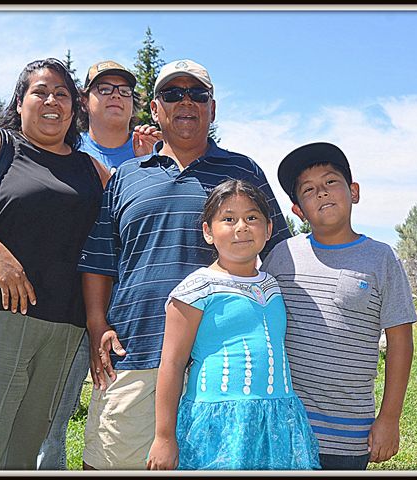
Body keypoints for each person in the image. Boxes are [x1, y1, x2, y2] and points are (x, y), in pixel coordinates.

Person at [77, 59, 291, 470]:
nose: (186, 102)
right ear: (155, 110)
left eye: (198, 94)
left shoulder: (243, 171)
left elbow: (280, 253)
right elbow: (100, 259)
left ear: (213, 108)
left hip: (223, 365)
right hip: (136, 351)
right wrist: (97, 325)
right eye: (172, 94)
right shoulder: (126, 177)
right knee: (111, 463)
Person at [0, 58, 110, 470]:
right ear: (20, 101)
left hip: (63, 328)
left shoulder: (90, 169)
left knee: (24, 453)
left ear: (75, 108)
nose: (52, 100)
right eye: (40, 91)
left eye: (62, 94)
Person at [261, 142, 417, 470]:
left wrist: (389, 418)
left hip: (350, 432)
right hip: (286, 424)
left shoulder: (382, 258)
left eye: (331, 181)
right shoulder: (282, 255)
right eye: (308, 189)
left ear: (354, 191)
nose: (321, 192)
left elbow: (401, 342)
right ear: (298, 210)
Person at [36, 59, 161, 471]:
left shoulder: (158, 153)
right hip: (61, 301)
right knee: (45, 416)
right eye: (104, 89)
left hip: (127, 312)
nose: (115, 97)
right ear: (84, 102)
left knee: (117, 413)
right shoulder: (65, 149)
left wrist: (148, 165)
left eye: (125, 91)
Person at [146, 179, 321, 470]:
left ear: (268, 229)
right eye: (228, 219)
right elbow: (172, 364)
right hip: (219, 421)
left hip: (278, 419)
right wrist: (164, 437)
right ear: (208, 231)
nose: (241, 227)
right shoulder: (196, 288)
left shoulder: (271, 285)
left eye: (252, 218)